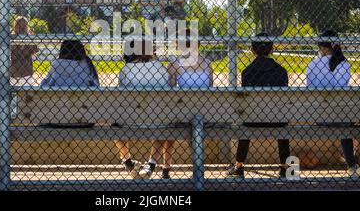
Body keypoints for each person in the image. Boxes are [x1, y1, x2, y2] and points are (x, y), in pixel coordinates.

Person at [138, 29, 214, 180]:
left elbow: (170, 93)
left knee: (168, 122)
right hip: (205, 115)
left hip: (183, 114)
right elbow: (210, 90)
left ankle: (156, 165)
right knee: (178, 119)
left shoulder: (174, 64)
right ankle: (194, 169)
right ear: (197, 44)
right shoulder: (208, 64)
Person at [225, 32, 290, 179]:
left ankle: (239, 166)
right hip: (277, 120)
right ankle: (285, 167)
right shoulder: (281, 71)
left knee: (245, 121)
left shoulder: (247, 72)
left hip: (252, 120)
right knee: (282, 120)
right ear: (272, 49)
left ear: (252, 50)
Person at [115, 38, 169, 179]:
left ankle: (127, 161)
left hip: (130, 121)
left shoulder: (126, 69)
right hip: (157, 120)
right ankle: (151, 164)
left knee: (112, 125)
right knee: (166, 125)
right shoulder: (161, 68)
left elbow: (121, 97)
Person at [306, 30, 358, 176]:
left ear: (321, 47)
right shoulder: (343, 63)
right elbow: (340, 89)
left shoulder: (312, 65)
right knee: (347, 121)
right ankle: (352, 165)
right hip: (339, 117)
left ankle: (352, 163)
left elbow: (310, 90)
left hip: (319, 117)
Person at [10, 17, 38, 86]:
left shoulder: (11, 37)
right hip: (27, 71)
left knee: (15, 94)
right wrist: (33, 38)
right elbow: (35, 51)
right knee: (26, 93)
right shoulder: (29, 37)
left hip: (14, 71)